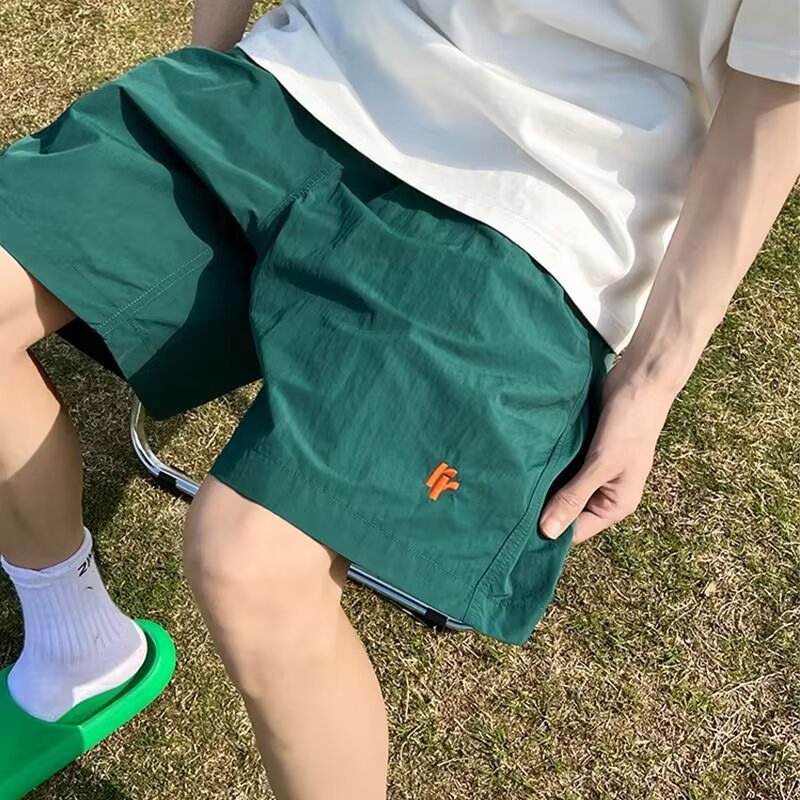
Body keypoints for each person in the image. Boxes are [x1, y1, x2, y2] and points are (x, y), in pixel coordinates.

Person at [0, 1, 797, 798]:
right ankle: (76, 646)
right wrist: (209, 67)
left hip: (549, 200)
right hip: (310, 67)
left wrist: (652, 383)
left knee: (251, 566)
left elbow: (777, 92)